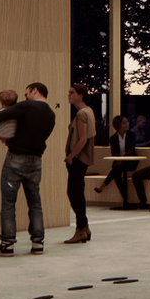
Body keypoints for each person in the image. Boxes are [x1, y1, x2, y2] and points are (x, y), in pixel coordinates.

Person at [0, 80, 56, 255]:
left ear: (35, 91)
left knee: (8, 203)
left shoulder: (27, 106)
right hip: (36, 162)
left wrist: (3, 132)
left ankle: (7, 244)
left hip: (15, 160)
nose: (25, 97)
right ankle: (38, 243)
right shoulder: (51, 114)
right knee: (35, 202)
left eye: (26, 93)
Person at [62, 85, 95, 244]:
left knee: (74, 193)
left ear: (81, 95)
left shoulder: (82, 114)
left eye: (72, 92)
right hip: (82, 159)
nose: (69, 95)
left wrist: (70, 156)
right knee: (76, 192)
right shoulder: (88, 111)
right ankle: (84, 226)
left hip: (78, 159)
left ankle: (81, 228)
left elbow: (82, 139)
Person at [93, 113, 135, 206]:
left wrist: (122, 159)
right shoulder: (113, 138)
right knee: (117, 173)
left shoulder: (132, 135)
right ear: (118, 126)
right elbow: (114, 152)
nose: (127, 124)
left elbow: (131, 150)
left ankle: (103, 186)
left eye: (127, 122)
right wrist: (118, 159)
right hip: (118, 163)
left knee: (116, 170)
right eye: (124, 123)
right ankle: (126, 199)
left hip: (130, 162)